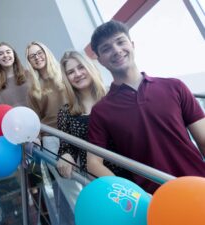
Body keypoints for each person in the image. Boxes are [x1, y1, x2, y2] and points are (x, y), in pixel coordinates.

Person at [87, 20, 205, 194]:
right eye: (106, 48)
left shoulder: (174, 86)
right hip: (155, 200)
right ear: (100, 60)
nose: (117, 50)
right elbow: (93, 163)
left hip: (199, 185)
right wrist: (135, 196)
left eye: (121, 42)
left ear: (132, 45)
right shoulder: (101, 111)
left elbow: (203, 139)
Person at [56, 51, 114, 178]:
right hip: (96, 182)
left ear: (90, 67)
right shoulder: (65, 112)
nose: (77, 74)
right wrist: (65, 155)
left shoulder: (113, 96)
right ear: (67, 79)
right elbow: (66, 147)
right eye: (70, 72)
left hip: (132, 172)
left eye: (81, 67)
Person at [26, 41, 66, 155]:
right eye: (32, 56)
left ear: (46, 53)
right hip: (51, 137)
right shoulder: (32, 89)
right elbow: (34, 117)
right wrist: (36, 137)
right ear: (29, 62)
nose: (37, 57)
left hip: (74, 132)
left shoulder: (65, 74)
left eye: (40, 53)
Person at [0, 42, 30, 107]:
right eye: (0, 54)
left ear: (14, 55)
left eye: (8, 52)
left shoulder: (29, 75)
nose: (5, 55)